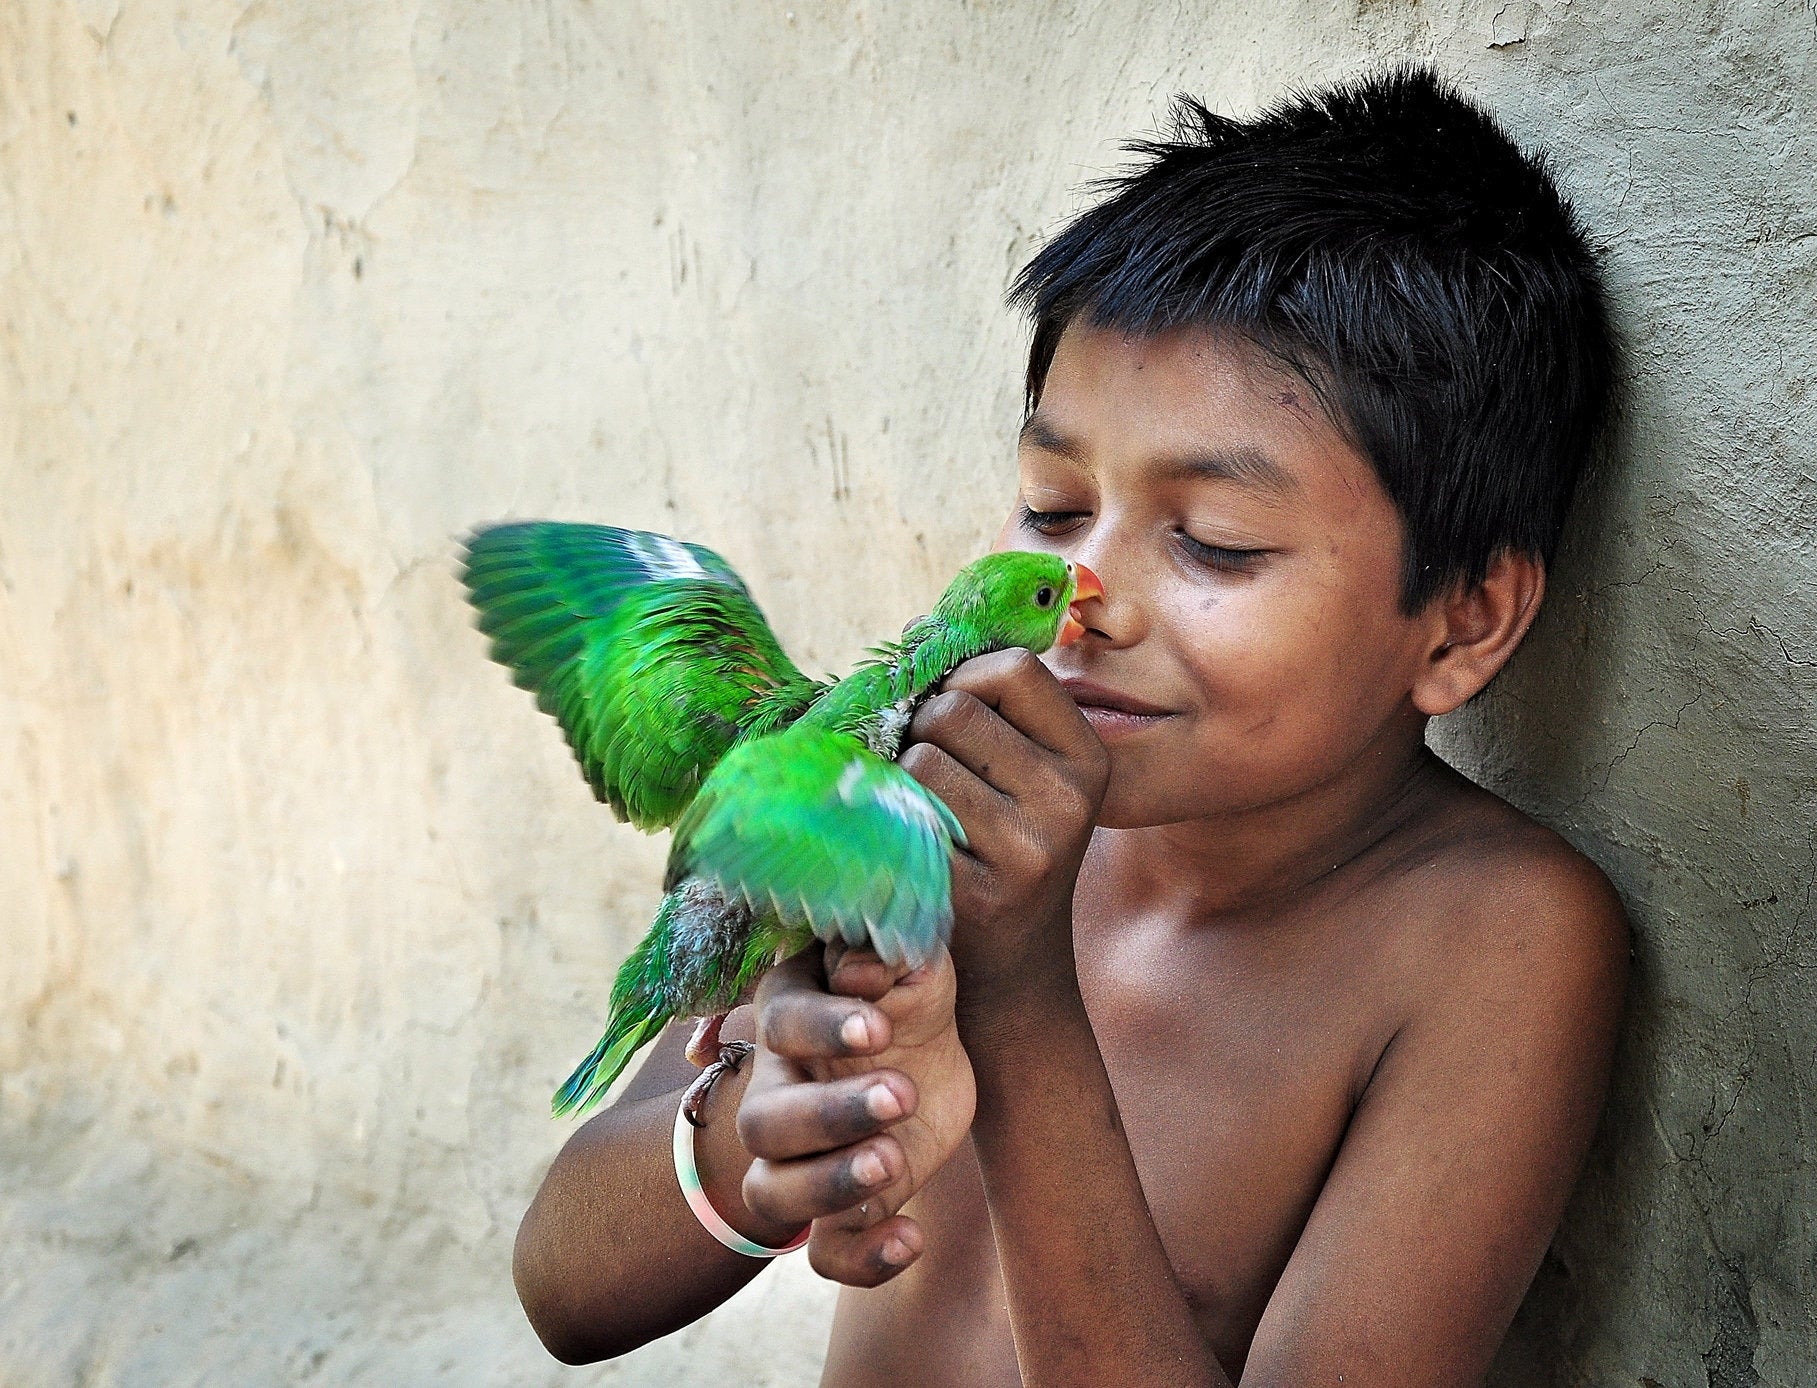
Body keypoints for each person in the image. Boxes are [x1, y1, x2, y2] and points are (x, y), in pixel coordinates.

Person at [512, 65, 1627, 1386]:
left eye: (1214, 542)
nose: (1085, 603)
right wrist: (756, 1141)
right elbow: (564, 1291)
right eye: (1049, 509)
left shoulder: (1487, 944)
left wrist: (1022, 1002)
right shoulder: (911, 796)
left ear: (1461, 621)